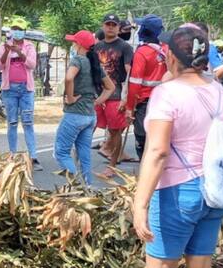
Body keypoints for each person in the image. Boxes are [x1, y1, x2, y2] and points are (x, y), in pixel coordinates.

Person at [132, 25, 223, 268]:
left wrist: (139, 204)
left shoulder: (167, 94)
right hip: (214, 192)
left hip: (178, 192)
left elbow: (157, 151)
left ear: (171, 56)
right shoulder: (221, 93)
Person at [54, 30, 115, 184]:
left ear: (79, 45)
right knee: (84, 155)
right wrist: (97, 101)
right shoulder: (95, 64)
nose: (73, 45)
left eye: (74, 42)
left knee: (61, 153)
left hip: (75, 114)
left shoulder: (78, 60)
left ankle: (77, 184)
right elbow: (110, 87)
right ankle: (88, 188)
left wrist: (70, 97)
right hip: (90, 116)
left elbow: (69, 78)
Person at [0, 19, 41, 170]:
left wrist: (19, 52)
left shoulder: (29, 46)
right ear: (10, 31)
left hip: (26, 90)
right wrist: (8, 51)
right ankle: (13, 155)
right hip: (9, 90)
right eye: (14, 28)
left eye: (20, 29)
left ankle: (33, 157)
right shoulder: (3, 46)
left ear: (24, 31)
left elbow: (32, 65)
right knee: (12, 123)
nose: (17, 31)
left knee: (28, 123)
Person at [95, 14, 134, 176]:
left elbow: (129, 72)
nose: (110, 27)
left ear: (118, 28)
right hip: (97, 94)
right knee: (89, 127)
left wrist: (127, 97)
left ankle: (112, 166)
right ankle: (79, 162)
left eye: (113, 24)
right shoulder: (96, 47)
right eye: (107, 24)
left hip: (116, 95)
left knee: (115, 131)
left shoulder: (125, 47)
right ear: (103, 26)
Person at [125, 15, 167, 161]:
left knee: (143, 138)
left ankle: (145, 170)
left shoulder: (142, 53)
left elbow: (135, 83)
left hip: (145, 103)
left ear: (145, 30)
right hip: (164, 101)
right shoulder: (166, 50)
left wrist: (130, 108)